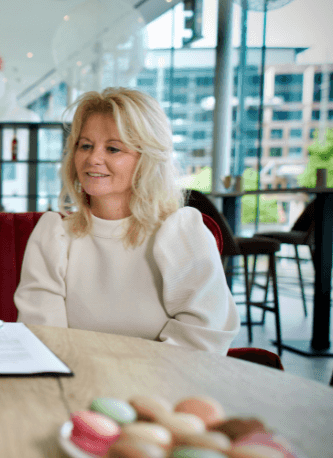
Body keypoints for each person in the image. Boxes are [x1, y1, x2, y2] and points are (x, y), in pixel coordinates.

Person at [14, 87, 239, 353]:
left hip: (164, 384)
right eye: (85, 145)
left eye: (113, 148)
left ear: (147, 159)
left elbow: (202, 340)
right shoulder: (54, 236)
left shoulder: (180, 232)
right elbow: (45, 341)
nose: (93, 158)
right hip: (77, 382)